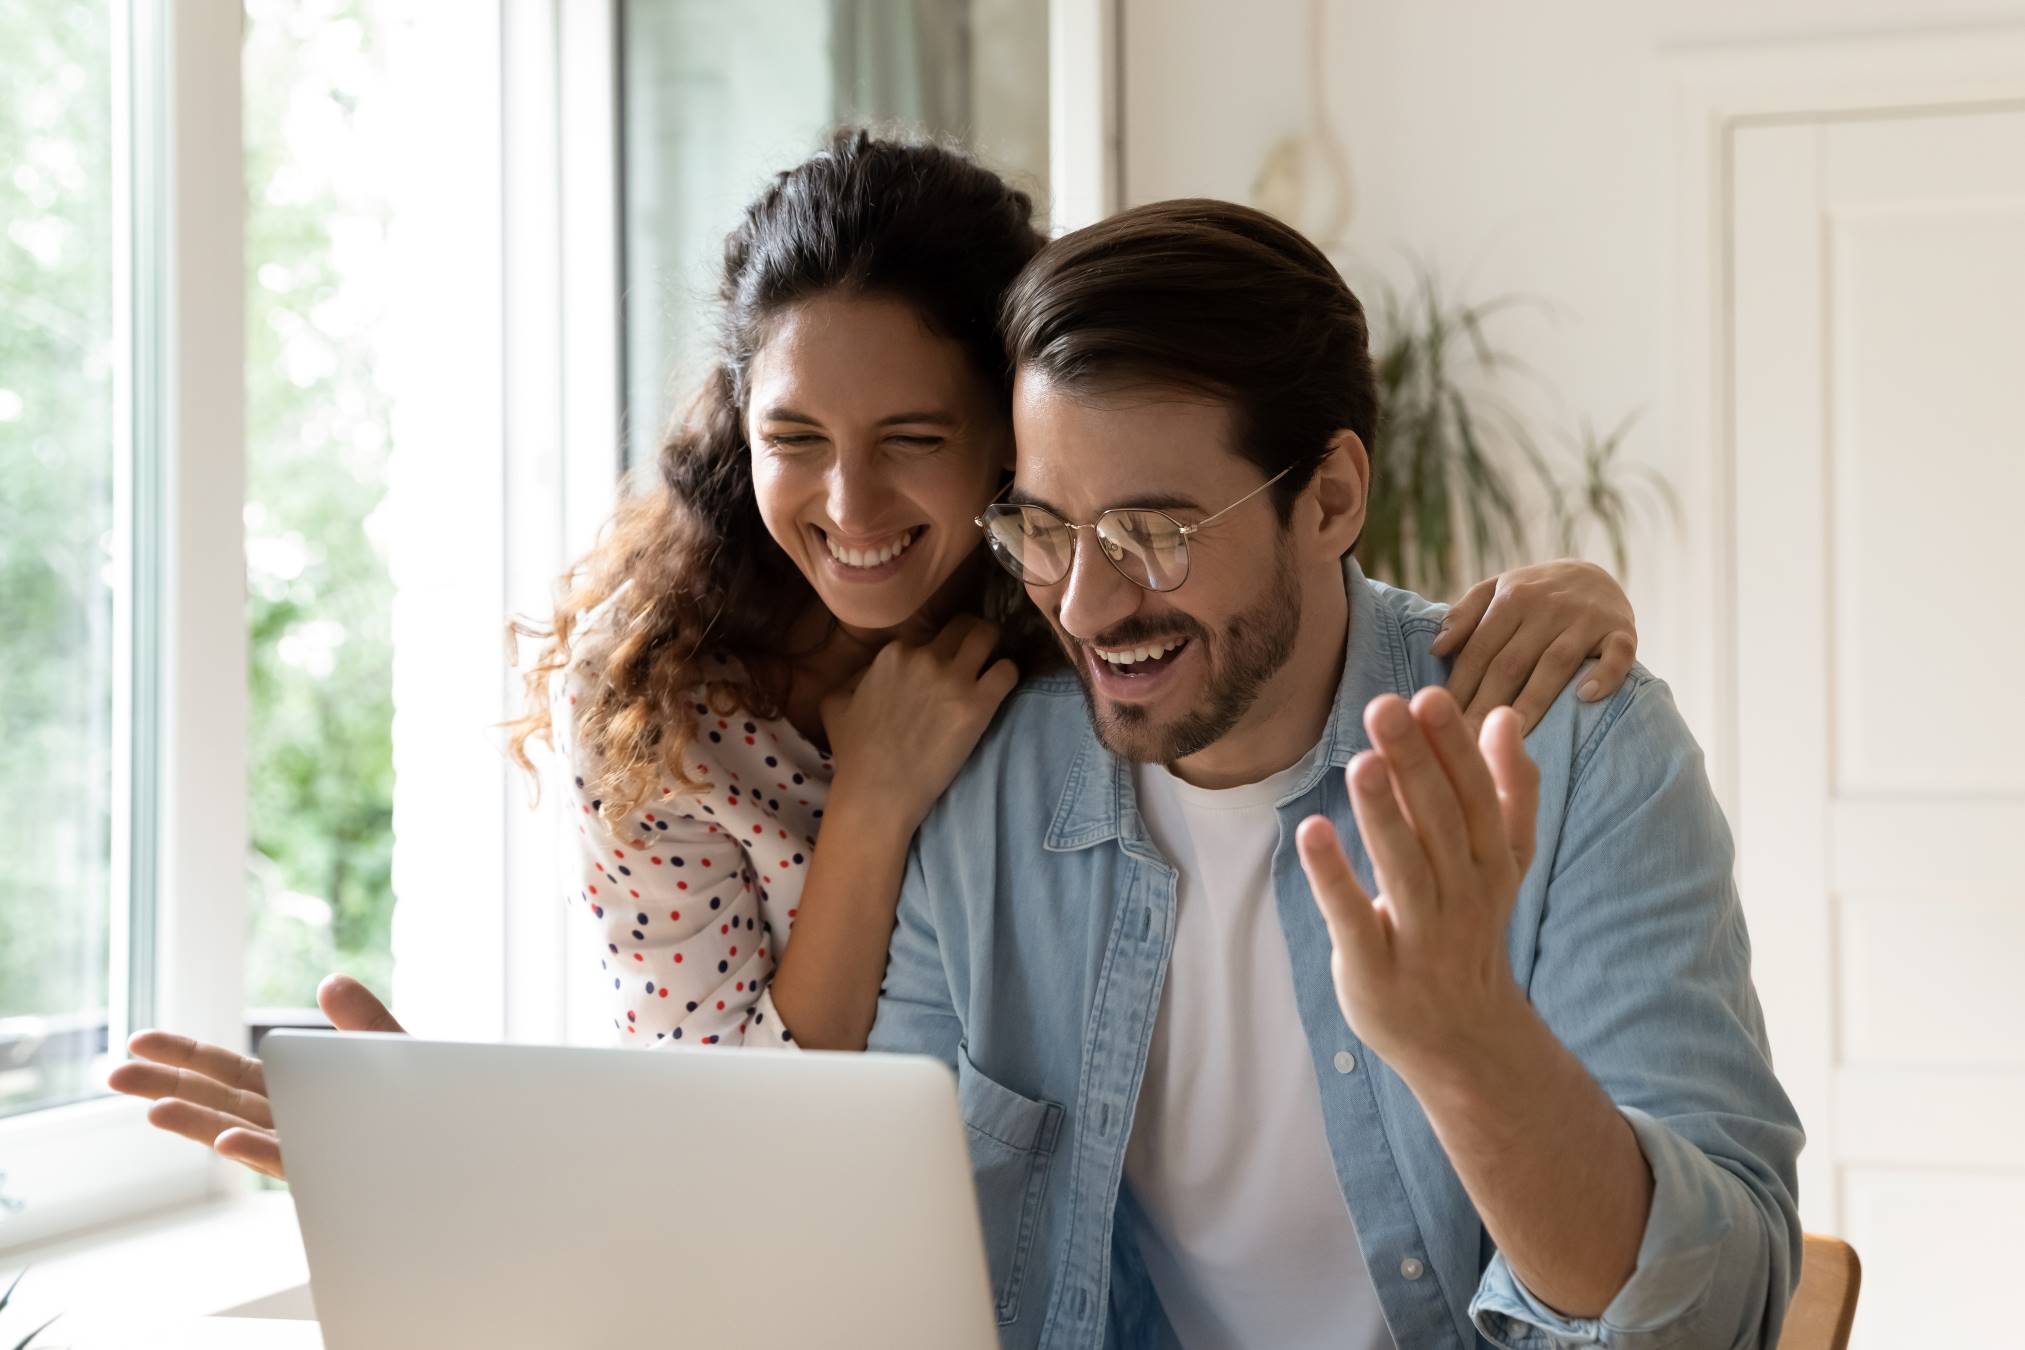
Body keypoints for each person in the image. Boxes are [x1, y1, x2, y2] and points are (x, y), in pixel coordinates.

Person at [107, 136, 1641, 1183]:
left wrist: (1542, 601)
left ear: (1015, 429)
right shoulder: (651, 707)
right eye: (795, 441)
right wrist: (874, 803)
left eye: (915, 441)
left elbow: (1256, 566)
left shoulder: (1069, 625)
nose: (848, 509)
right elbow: (744, 1125)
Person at [859, 198, 1804, 1349]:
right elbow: (885, 1245)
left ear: (1332, 498)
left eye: (1152, 535)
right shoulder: (984, 788)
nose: (1085, 607)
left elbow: (1727, 1310)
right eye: (1045, 530)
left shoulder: (1578, 748)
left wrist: (1472, 1049)